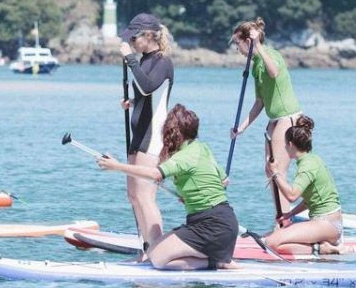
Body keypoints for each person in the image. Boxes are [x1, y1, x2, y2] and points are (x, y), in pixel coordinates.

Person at [97, 105, 239, 270]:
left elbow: (155, 174)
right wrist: (191, 194)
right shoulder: (202, 148)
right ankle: (215, 257)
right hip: (225, 222)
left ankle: (216, 262)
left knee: (157, 257)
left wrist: (117, 166)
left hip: (211, 226)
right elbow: (224, 181)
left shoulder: (183, 157)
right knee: (156, 252)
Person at [230, 17, 302, 219]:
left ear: (248, 41)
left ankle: (284, 223)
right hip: (274, 121)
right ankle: (282, 218)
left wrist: (258, 45)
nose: (237, 48)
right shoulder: (254, 66)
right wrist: (242, 127)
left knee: (278, 171)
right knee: (270, 172)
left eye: (238, 43)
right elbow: (260, 101)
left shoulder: (271, 55)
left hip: (288, 118)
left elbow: (274, 71)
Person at [118, 13, 175, 256]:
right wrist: (133, 101)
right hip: (138, 135)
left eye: (134, 37)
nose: (131, 42)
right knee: (133, 195)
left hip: (153, 137)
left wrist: (129, 59)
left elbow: (149, 86)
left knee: (145, 196)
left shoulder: (162, 62)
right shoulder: (144, 60)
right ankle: (145, 248)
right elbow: (145, 93)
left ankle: (158, 250)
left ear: (150, 35)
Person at [264, 116, 343, 254]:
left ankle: (320, 248)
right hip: (329, 223)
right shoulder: (312, 159)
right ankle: (321, 243)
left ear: (289, 145)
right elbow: (310, 200)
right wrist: (290, 214)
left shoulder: (307, 166)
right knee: (278, 236)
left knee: (270, 243)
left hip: (327, 224)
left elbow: (292, 195)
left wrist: (275, 173)